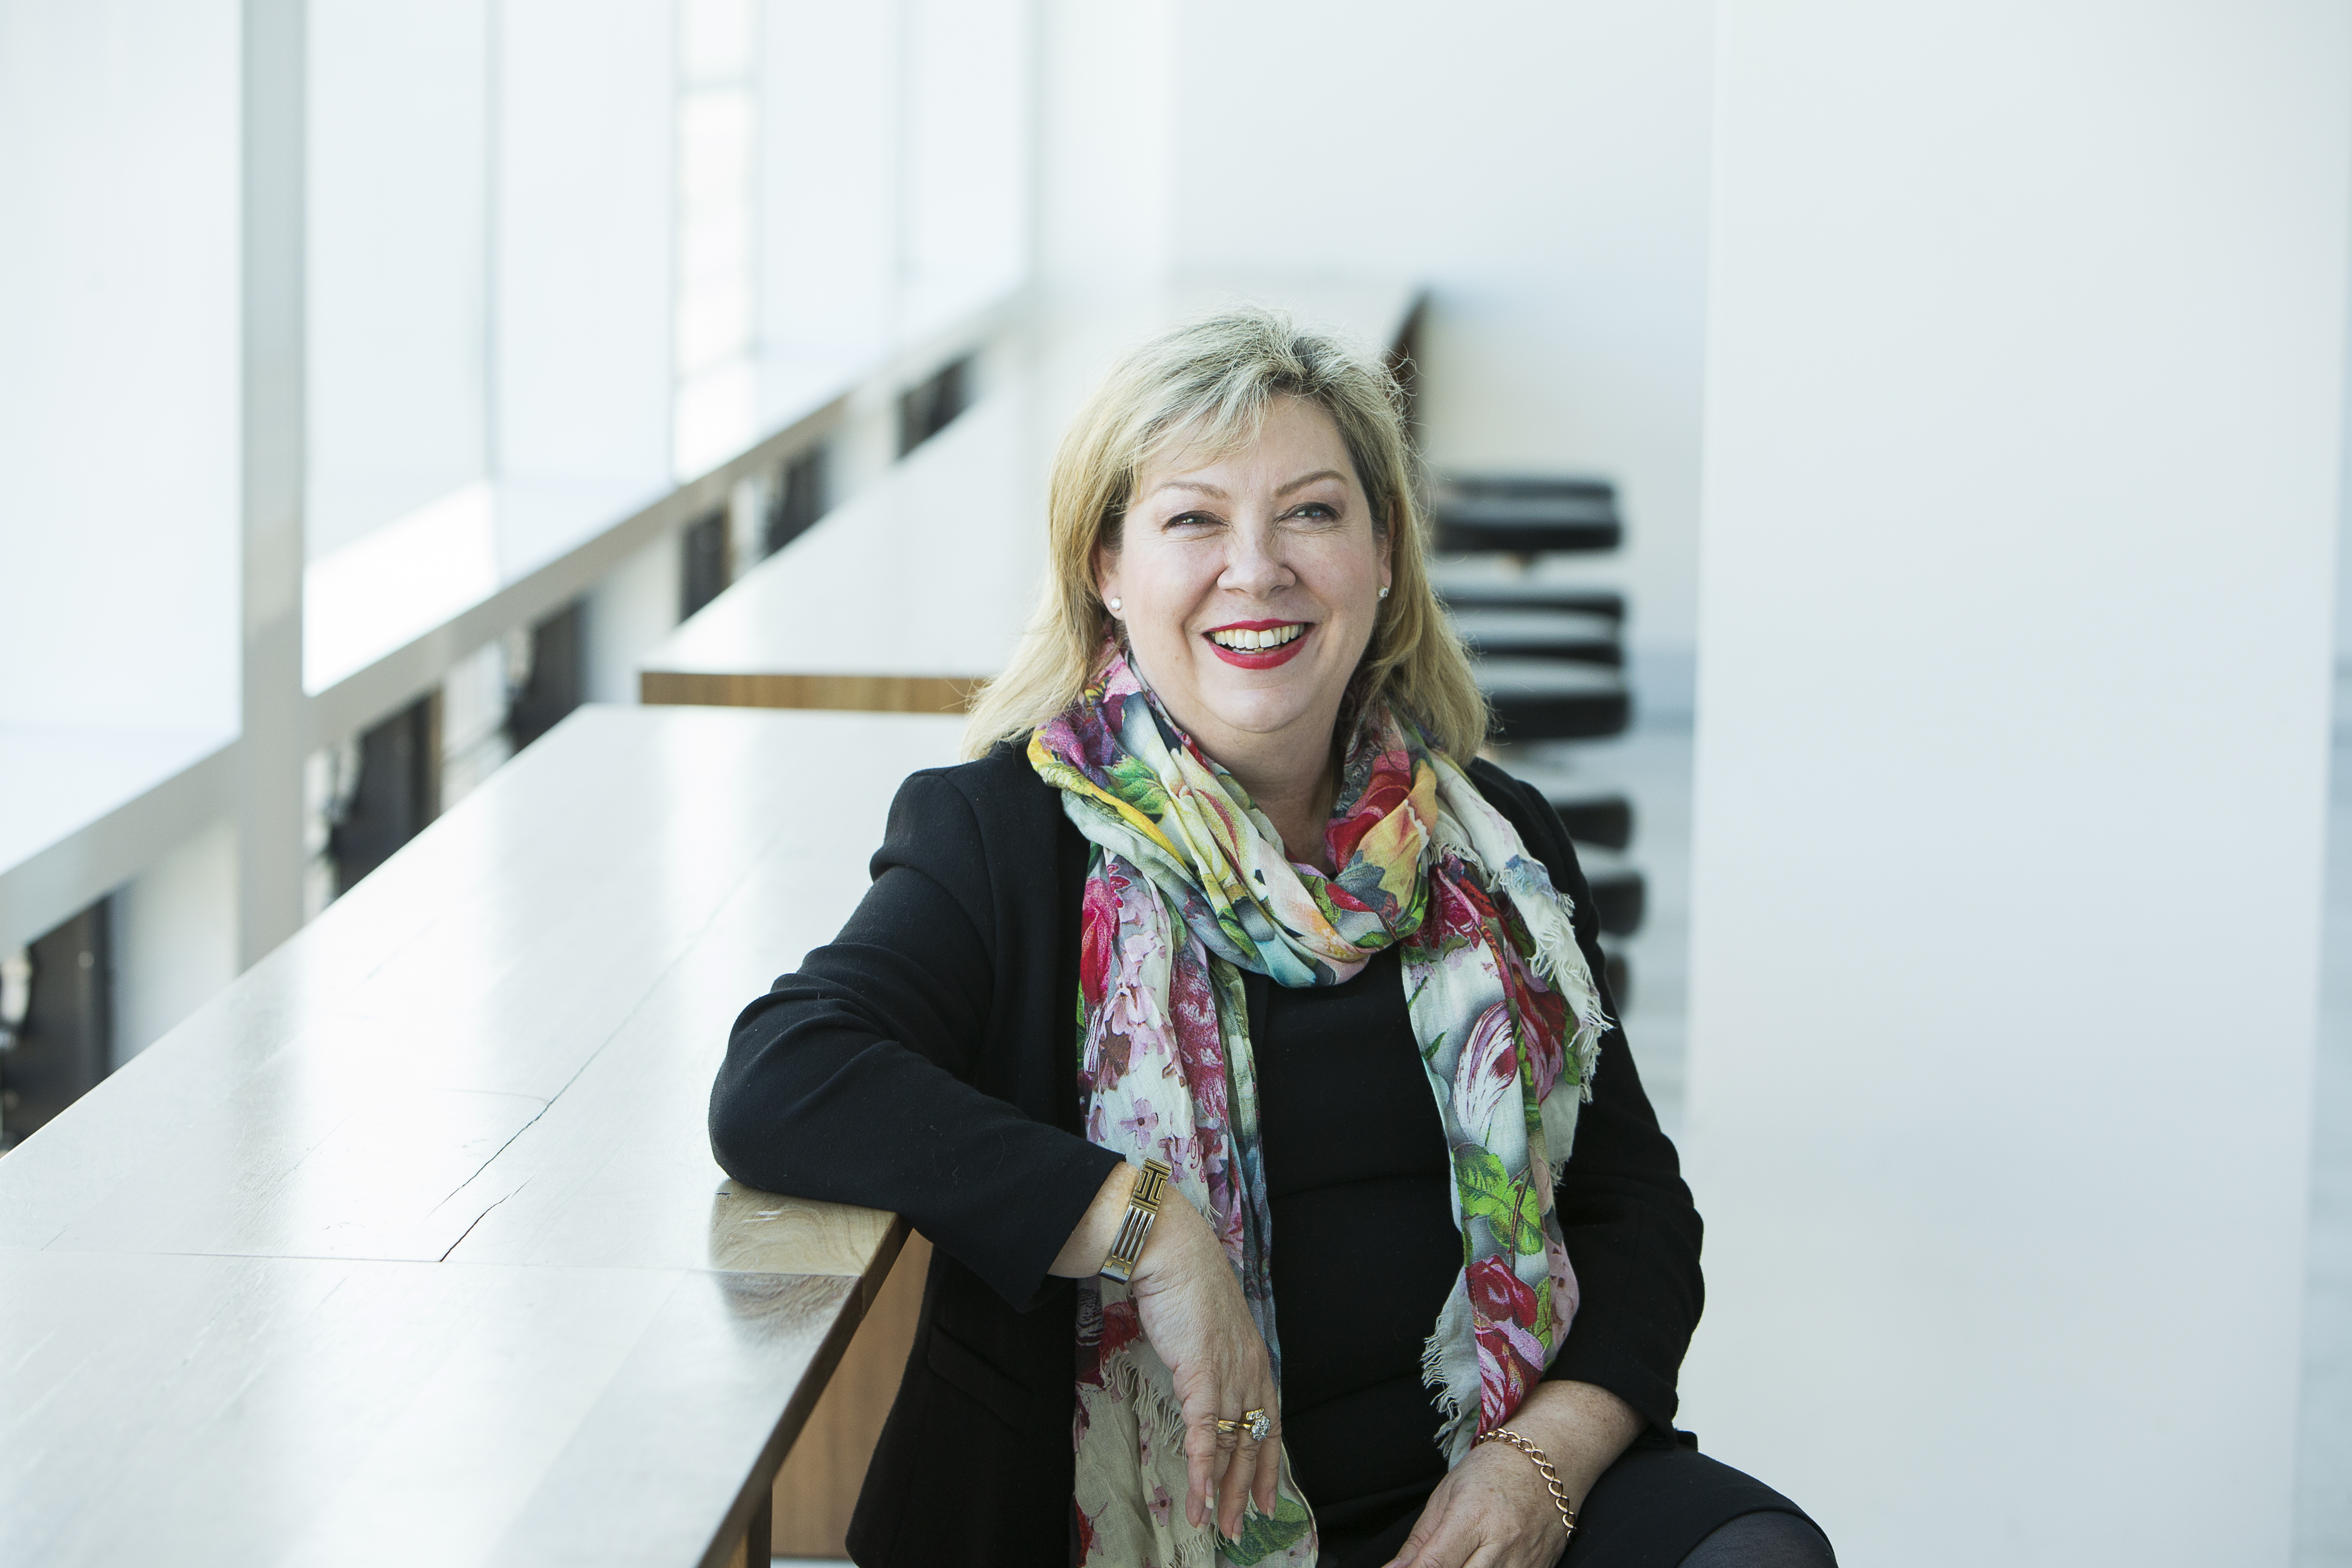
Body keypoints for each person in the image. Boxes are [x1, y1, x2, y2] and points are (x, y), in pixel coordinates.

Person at [710, 308, 1834, 1568]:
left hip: (1476, 1489)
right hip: (1112, 1515)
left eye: (1310, 512)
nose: (1259, 569)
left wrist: (1543, 1463)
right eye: (1193, 519)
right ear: (1107, 567)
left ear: (1385, 551)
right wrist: (1148, 1227)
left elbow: (1632, 1209)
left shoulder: (1496, 846)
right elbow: (783, 1074)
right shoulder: (1007, 838)